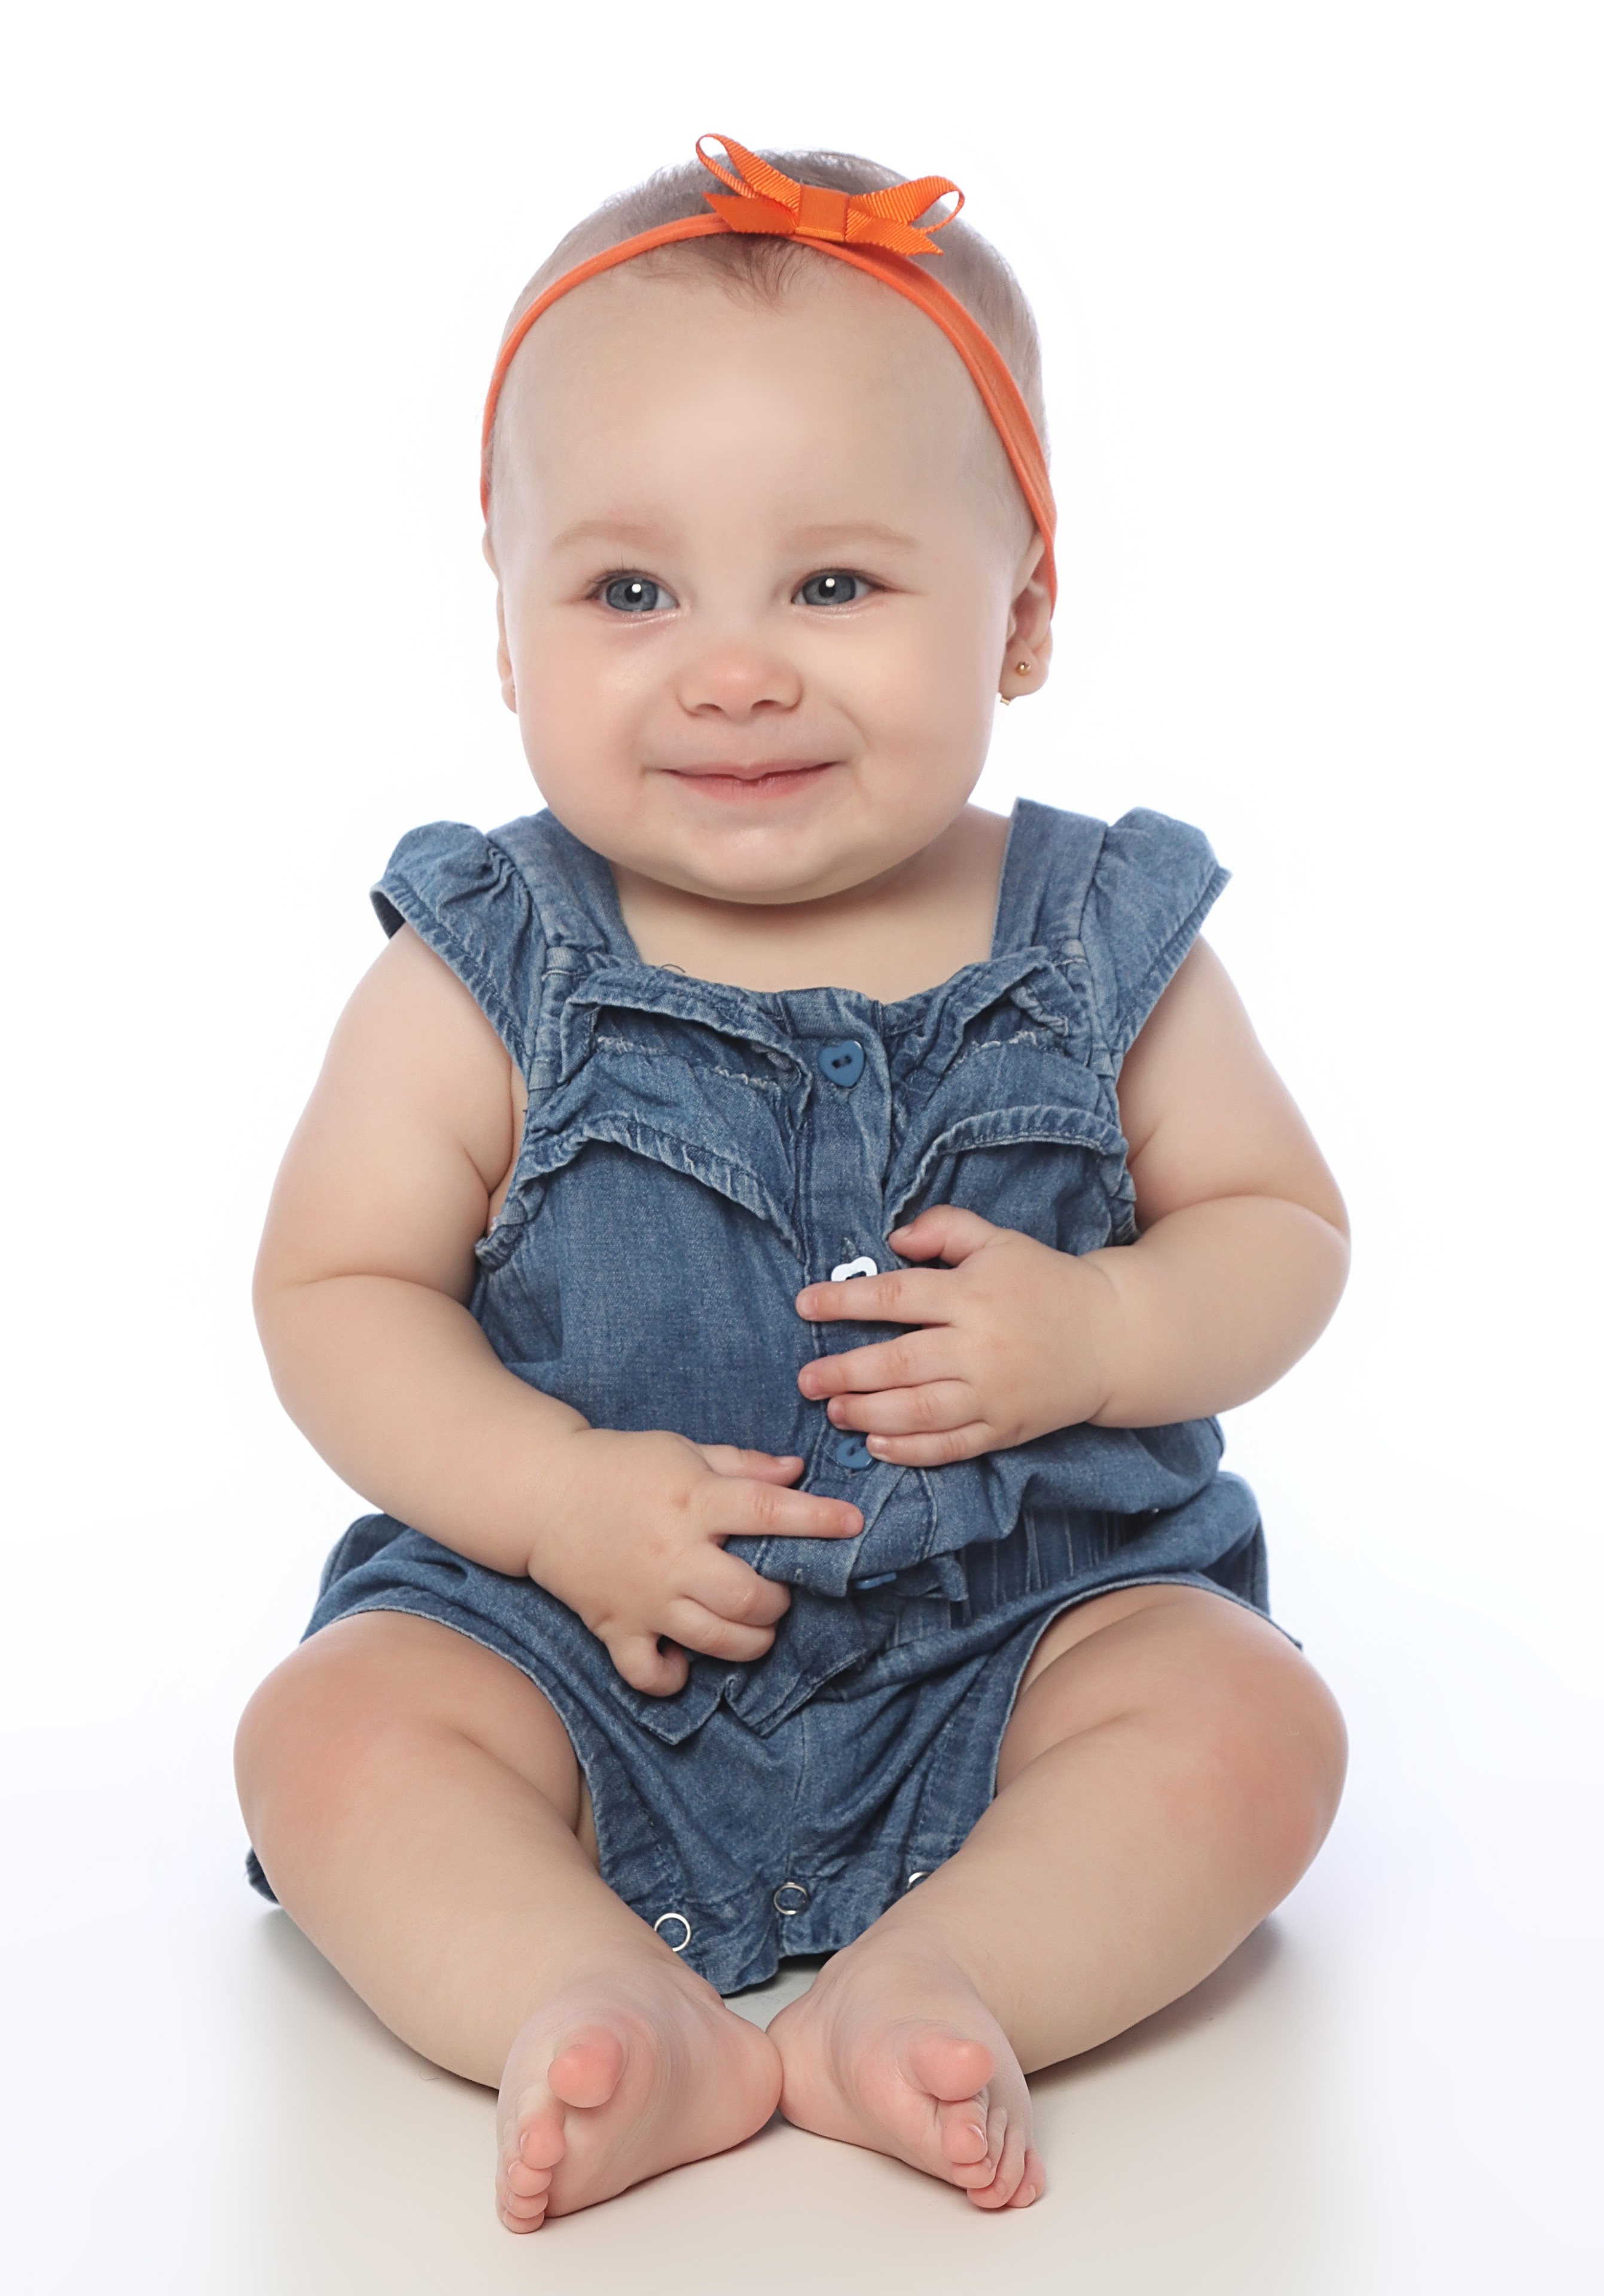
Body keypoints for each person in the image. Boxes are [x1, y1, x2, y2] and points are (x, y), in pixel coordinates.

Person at [234, 133, 1350, 2231]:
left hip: (1023, 1636)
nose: (731, 668)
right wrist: (548, 1496)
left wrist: (1106, 1325)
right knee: (334, 1735)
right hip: (571, 1643)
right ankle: (584, 1995)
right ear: (505, 631)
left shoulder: (1098, 938)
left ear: (1021, 613)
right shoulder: (483, 965)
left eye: (832, 586)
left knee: (1247, 1723)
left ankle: (949, 1976)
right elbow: (333, 1290)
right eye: (627, 593)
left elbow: (1280, 1233)